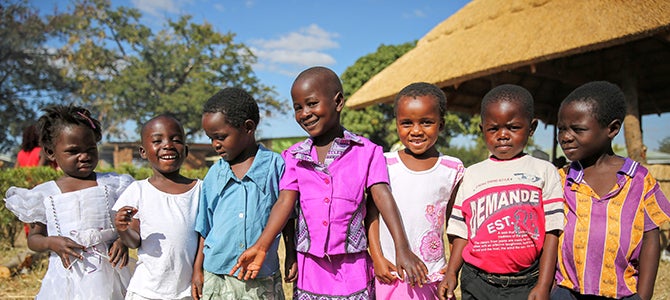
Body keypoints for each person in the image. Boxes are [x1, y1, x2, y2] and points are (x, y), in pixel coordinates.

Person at [231, 66, 428, 299]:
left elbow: (382, 196)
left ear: (338, 102)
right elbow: (285, 202)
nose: (305, 113)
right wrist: (263, 245)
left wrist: (401, 247)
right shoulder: (294, 156)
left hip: (353, 267)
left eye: (312, 103)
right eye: (298, 107)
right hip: (309, 268)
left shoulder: (367, 152)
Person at [440, 84, 564, 300]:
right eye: (493, 128)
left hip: (527, 283)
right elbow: (461, 232)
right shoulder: (472, 174)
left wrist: (544, 284)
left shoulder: (544, 171)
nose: (503, 135)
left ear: (531, 128)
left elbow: (551, 233)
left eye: (513, 127)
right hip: (477, 282)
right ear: (482, 130)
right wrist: (452, 272)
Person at [551, 81, 670, 300]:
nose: (566, 137)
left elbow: (651, 239)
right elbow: (550, 235)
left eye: (578, 129)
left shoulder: (639, 180)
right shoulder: (561, 180)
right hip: (567, 292)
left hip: (622, 292)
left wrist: (643, 295)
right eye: (562, 129)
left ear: (612, 129)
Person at [5, 104, 133, 299]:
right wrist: (50, 242)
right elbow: (33, 239)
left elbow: (132, 224)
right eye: (73, 151)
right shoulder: (45, 195)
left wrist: (122, 240)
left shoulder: (114, 184)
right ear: (50, 152)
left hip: (112, 272)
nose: (84, 156)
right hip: (67, 278)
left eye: (91, 149)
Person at [192, 87, 295, 300]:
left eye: (220, 137)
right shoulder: (214, 174)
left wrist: (291, 253)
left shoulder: (275, 166)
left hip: (260, 277)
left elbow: (287, 216)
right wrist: (197, 269)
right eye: (211, 138)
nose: (215, 145)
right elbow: (205, 226)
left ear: (248, 127)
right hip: (217, 276)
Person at [367, 82, 464, 299]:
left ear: (441, 124)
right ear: (397, 124)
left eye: (427, 122)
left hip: (431, 274)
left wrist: (451, 270)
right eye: (407, 123)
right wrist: (377, 258)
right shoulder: (383, 163)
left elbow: (456, 224)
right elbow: (371, 214)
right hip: (390, 273)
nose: (417, 131)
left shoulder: (452, 169)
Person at [112, 114, 201, 299]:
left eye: (175, 139)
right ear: (143, 152)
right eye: (157, 140)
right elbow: (133, 241)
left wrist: (198, 271)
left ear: (185, 150)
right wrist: (122, 230)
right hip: (146, 290)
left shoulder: (200, 189)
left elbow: (204, 236)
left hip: (186, 291)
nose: (167, 145)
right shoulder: (138, 190)